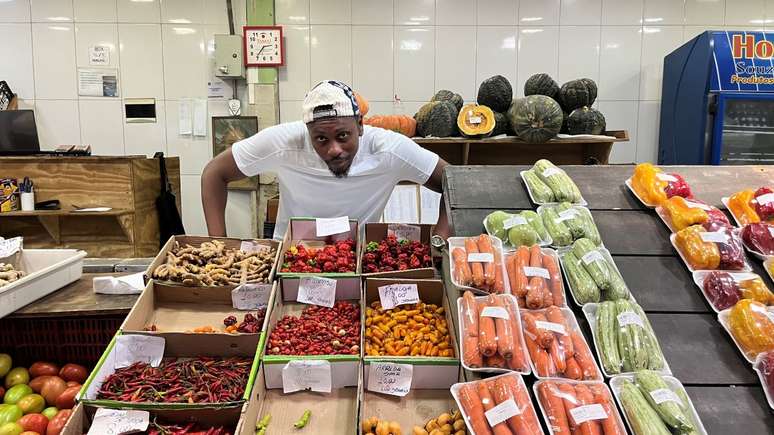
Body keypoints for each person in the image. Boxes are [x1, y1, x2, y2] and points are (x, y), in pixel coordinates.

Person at [201, 80, 450, 241]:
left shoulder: (388, 148)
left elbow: (454, 182)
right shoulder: (285, 141)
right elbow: (214, 173)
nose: (334, 149)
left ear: (360, 126)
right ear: (306, 131)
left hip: (355, 258)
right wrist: (219, 245)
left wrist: (439, 240)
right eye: (320, 139)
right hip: (291, 256)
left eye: (343, 136)